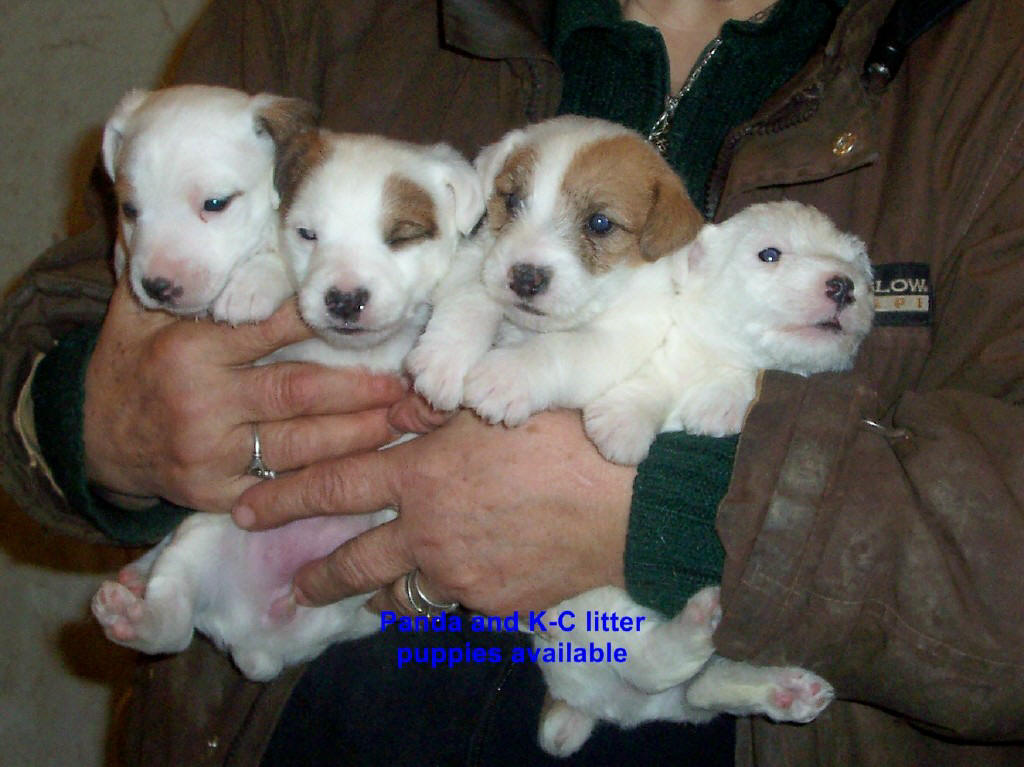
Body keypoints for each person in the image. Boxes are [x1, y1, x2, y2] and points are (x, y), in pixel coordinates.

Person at [1, 0, 1021, 764]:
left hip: (666, 690)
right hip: (303, 699)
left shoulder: (985, 60)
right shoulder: (327, 14)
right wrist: (104, 417)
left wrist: (673, 506)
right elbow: (52, 329)